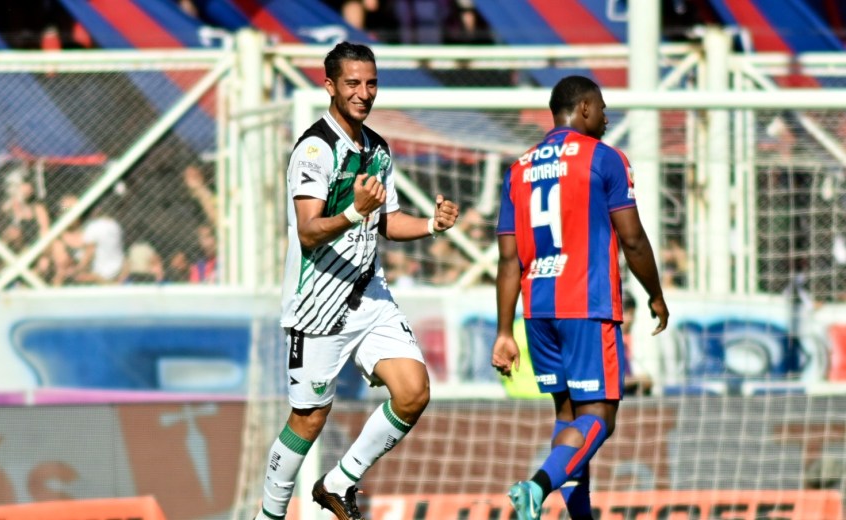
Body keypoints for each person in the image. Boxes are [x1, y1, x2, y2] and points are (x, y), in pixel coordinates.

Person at [255, 41, 459, 520]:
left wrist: (431, 224)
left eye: (370, 83)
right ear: (330, 86)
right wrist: (353, 211)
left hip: (368, 293)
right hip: (318, 303)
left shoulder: (377, 149)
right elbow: (308, 230)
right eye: (352, 83)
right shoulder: (314, 148)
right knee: (310, 418)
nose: (363, 93)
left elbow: (385, 221)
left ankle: (340, 482)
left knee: (413, 391)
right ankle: (268, 516)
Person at [491, 75, 669, 520]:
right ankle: (536, 486)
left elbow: (508, 260)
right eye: (603, 108)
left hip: (538, 310)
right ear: (585, 108)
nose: (607, 118)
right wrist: (656, 294)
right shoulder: (604, 159)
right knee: (599, 418)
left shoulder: (519, 168)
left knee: (568, 419)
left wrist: (503, 331)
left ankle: (580, 517)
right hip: (586, 303)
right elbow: (633, 240)